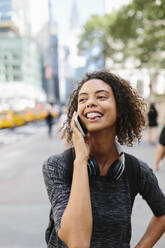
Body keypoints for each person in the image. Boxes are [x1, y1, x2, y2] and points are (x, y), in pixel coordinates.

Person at [43, 71, 165, 248]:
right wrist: (81, 161)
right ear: (76, 115)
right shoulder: (57, 166)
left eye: (101, 96)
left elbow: (162, 214)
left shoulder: (136, 169)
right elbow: (78, 243)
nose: (91, 102)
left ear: (120, 109)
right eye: (83, 100)